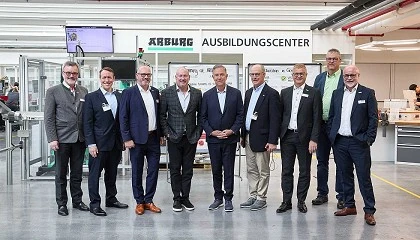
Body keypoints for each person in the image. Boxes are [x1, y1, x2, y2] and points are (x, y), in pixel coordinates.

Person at [328, 65, 378, 226]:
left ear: (358, 75)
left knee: (364, 177)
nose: (349, 78)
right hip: (340, 142)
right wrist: (332, 135)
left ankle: (369, 210)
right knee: (345, 176)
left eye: (352, 75)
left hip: (359, 142)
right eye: (346, 75)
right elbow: (332, 117)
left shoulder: (368, 93)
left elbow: (373, 119)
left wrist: (368, 139)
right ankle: (349, 206)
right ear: (343, 76)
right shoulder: (337, 94)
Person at [44, 61, 89, 216]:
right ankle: (62, 203)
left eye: (74, 73)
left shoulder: (83, 91)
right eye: (68, 72)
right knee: (61, 173)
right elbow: (49, 117)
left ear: (78, 74)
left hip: (79, 139)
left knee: (77, 173)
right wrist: (52, 138)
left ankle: (77, 201)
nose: (71, 75)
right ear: (63, 73)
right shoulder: (53, 91)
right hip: (61, 140)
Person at [276, 64, 322, 214]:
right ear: (292, 75)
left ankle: (301, 201)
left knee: (304, 171)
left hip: (305, 139)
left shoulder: (314, 93)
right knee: (286, 171)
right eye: (296, 73)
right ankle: (286, 201)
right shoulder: (285, 93)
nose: (298, 76)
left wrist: (314, 139)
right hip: (287, 137)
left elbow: (317, 118)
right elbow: (280, 116)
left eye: (301, 73)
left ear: (306, 74)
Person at [83, 67, 128, 216]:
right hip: (98, 144)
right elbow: (87, 123)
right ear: (99, 79)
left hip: (115, 143)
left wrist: (123, 139)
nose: (107, 80)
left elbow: (121, 120)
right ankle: (94, 204)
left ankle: (111, 199)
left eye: (109, 77)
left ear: (114, 78)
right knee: (95, 175)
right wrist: (91, 144)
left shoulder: (119, 96)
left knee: (112, 173)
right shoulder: (91, 97)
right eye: (104, 78)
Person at [119, 65, 163, 215]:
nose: (145, 77)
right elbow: (123, 117)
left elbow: (159, 115)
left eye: (148, 75)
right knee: (137, 171)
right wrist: (126, 138)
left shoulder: (155, 92)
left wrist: (161, 135)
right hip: (135, 140)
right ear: (137, 75)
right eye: (142, 74)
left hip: (153, 138)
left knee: (153, 171)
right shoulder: (128, 93)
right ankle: (139, 202)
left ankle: (149, 200)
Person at [201, 65, 244, 212]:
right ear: (212, 77)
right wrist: (212, 132)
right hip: (213, 140)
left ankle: (228, 199)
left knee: (229, 170)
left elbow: (240, 115)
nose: (219, 77)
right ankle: (218, 198)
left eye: (221, 75)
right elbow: (203, 118)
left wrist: (232, 131)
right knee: (216, 170)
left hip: (230, 140)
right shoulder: (206, 95)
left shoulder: (236, 94)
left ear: (226, 76)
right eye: (216, 75)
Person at [160, 67, 202, 212]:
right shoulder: (167, 93)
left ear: (189, 77)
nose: (182, 78)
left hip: (190, 138)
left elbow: (201, 116)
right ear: (175, 77)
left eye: (185, 76)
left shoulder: (197, 93)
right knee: (175, 169)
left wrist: (197, 133)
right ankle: (176, 198)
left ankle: (186, 198)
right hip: (174, 138)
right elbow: (162, 116)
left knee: (188, 169)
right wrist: (167, 133)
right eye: (180, 76)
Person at [240, 64, 280, 211]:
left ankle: (261, 198)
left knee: (263, 169)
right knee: (251, 168)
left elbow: (275, 119)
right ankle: (253, 195)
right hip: (249, 137)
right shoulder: (248, 93)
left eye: (257, 74)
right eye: (252, 74)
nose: (254, 77)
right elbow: (246, 115)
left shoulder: (272, 94)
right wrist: (242, 135)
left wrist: (272, 140)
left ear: (264, 75)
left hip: (263, 139)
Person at [312, 48, 345, 209]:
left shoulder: (345, 78)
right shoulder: (319, 78)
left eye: (334, 59)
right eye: (329, 59)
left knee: (340, 162)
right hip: (321, 125)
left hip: (338, 126)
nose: (331, 61)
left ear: (340, 61)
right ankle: (322, 193)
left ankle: (342, 196)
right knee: (321, 162)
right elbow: (314, 101)